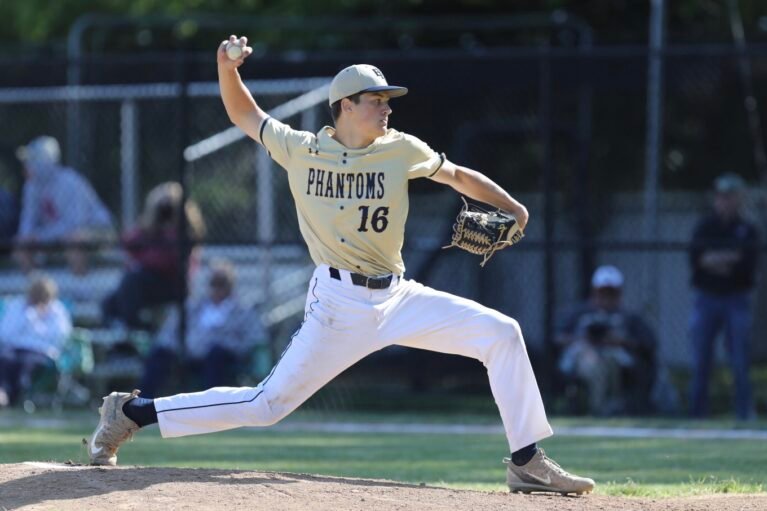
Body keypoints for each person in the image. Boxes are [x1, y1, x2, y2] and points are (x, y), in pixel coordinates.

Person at [86, 35, 594, 496]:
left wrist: (514, 206)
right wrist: (227, 69)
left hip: (398, 296)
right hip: (338, 303)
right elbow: (245, 115)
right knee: (265, 406)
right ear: (346, 105)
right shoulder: (303, 150)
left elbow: (458, 175)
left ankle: (527, 461)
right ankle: (132, 412)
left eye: (387, 100)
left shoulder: (400, 149)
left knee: (501, 334)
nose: (386, 108)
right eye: (376, 100)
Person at [688, 173, 760, 421]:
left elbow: (746, 266)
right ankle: (697, 416)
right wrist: (728, 258)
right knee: (701, 359)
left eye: (730, 196)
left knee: (739, 359)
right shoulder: (705, 227)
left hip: (736, 300)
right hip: (706, 299)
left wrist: (714, 259)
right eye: (721, 196)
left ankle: (744, 414)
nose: (725, 201)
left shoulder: (748, 229)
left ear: (739, 198)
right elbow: (697, 260)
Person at [139, 260, 266, 397]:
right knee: (160, 353)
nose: (217, 288)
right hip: (188, 353)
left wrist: (229, 345)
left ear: (230, 285)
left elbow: (253, 339)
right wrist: (175, 347)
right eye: (214, 283)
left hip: (219, 358)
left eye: (222, 283)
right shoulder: (194, 307)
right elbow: (169, 332)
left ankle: (211, 403)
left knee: (216, 355)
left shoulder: (242, 310)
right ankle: (143, 400)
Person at [101, 181, 206, 329]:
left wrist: (170, 226)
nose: (165, 212)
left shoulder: (184, 231)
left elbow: (164, 261)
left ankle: (134, 328)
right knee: (109, 302)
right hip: (148, 283)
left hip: (174, 284)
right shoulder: (152, 229)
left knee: (133, 279)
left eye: (169, 207)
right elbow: (128, 243)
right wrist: (149, 221)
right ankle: (121, 331)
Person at [556, 265, 658, 416]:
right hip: (584, 356)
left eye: (611, 293)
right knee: (595, 365)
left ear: (619, 293)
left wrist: (619, 341)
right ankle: (598, 408)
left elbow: (648, 342)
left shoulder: (629, 317)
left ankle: (605, 407)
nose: (606, 297)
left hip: (615, 358)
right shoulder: (580, 313)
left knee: (609, 362)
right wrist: (585, 339)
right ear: (594, 292)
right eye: (602, 292)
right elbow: (558, 337)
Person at [13, 136, 114, 275]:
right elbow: (27, 221)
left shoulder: (69, 182)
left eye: (32, 160)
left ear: (45, 160)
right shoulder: (31, 187)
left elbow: (74, 225)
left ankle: (80, 284)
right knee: (22, 243)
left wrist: (40, 238)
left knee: (75, 240)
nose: (27, 165)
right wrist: (27, 238)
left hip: (98, 230)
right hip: (56, 235)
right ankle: (34, 284)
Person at [0, 275, 73, 407]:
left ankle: (13, 397)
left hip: (41, 351)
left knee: (26, 363)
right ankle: (3, 392)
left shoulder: (57, 310)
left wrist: (41, 319)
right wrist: (28, 316)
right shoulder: (17, 305)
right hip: (15, 347)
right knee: (5, 359)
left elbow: (61, 335)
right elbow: (5, 332)